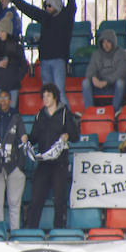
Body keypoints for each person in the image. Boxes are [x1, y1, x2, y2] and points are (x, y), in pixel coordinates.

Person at [25, 83, 79, 230]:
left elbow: (75, 136)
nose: (45, 99)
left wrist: (67, 135)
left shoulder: (65, 113)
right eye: (43, 96)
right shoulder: (40, 115)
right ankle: (31, 231)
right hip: (44, 163)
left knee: (59, 200)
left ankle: (59, 231)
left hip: (59, 163)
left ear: (55, 96)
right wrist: (26, 139)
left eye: (48, 96)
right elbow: (34, 137)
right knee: (36, 198)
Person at [11, 0, 76, 105]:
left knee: (59, 91)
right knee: (47, 93)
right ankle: (51, 114)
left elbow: (71, 7)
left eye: (49, 5)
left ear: (56, 5)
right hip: (44, 61)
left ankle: (66, 115)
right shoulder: (45, 17)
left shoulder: (65, 17)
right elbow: (29, 9)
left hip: (58, 60)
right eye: (45, 5)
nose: (46, 8)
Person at [0, 90, 28, 231]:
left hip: (13, 165)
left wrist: (20, 166)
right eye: (0, 97)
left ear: (10, 100)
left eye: (5, 98)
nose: (3, 100)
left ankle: (15, 235)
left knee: (14, 204)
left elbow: (24, 140)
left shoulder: (16, 117)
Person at [0, 13, 28, 107]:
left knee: (12, 110)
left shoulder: (17, 47)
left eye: (2, 31)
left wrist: (17, 78)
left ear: (8, 31)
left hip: (12, 84)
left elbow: (24, 65)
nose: (0, 34)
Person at [83, 28, 126, 111]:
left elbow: (121, 71)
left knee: (120, 83)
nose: (106, 44)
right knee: (85, 82)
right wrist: (93, 78)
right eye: (103, 42)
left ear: (113, 42)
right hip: (98, 84)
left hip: (113, 84)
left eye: (108, 42)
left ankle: (114, 111)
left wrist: (107, 81)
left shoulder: (121, 53)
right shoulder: (96, 54)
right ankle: (89, 111)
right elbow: (90, 69)